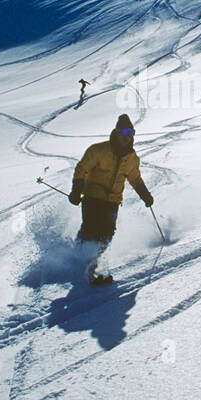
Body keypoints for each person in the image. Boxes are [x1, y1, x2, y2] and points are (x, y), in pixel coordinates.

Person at [69, 114, 153, 284]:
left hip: (113, 201)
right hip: (93, 197)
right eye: (124, 131)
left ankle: (92, 265)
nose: (127, 135)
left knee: (106, 234)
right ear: (116, 131)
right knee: (91, 229)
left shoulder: (132, 158)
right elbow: (82, 169)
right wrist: (77, 190)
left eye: (131, 132)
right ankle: (82, 263)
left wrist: (146, 196)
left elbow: (135, 179)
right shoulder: (98, 150)